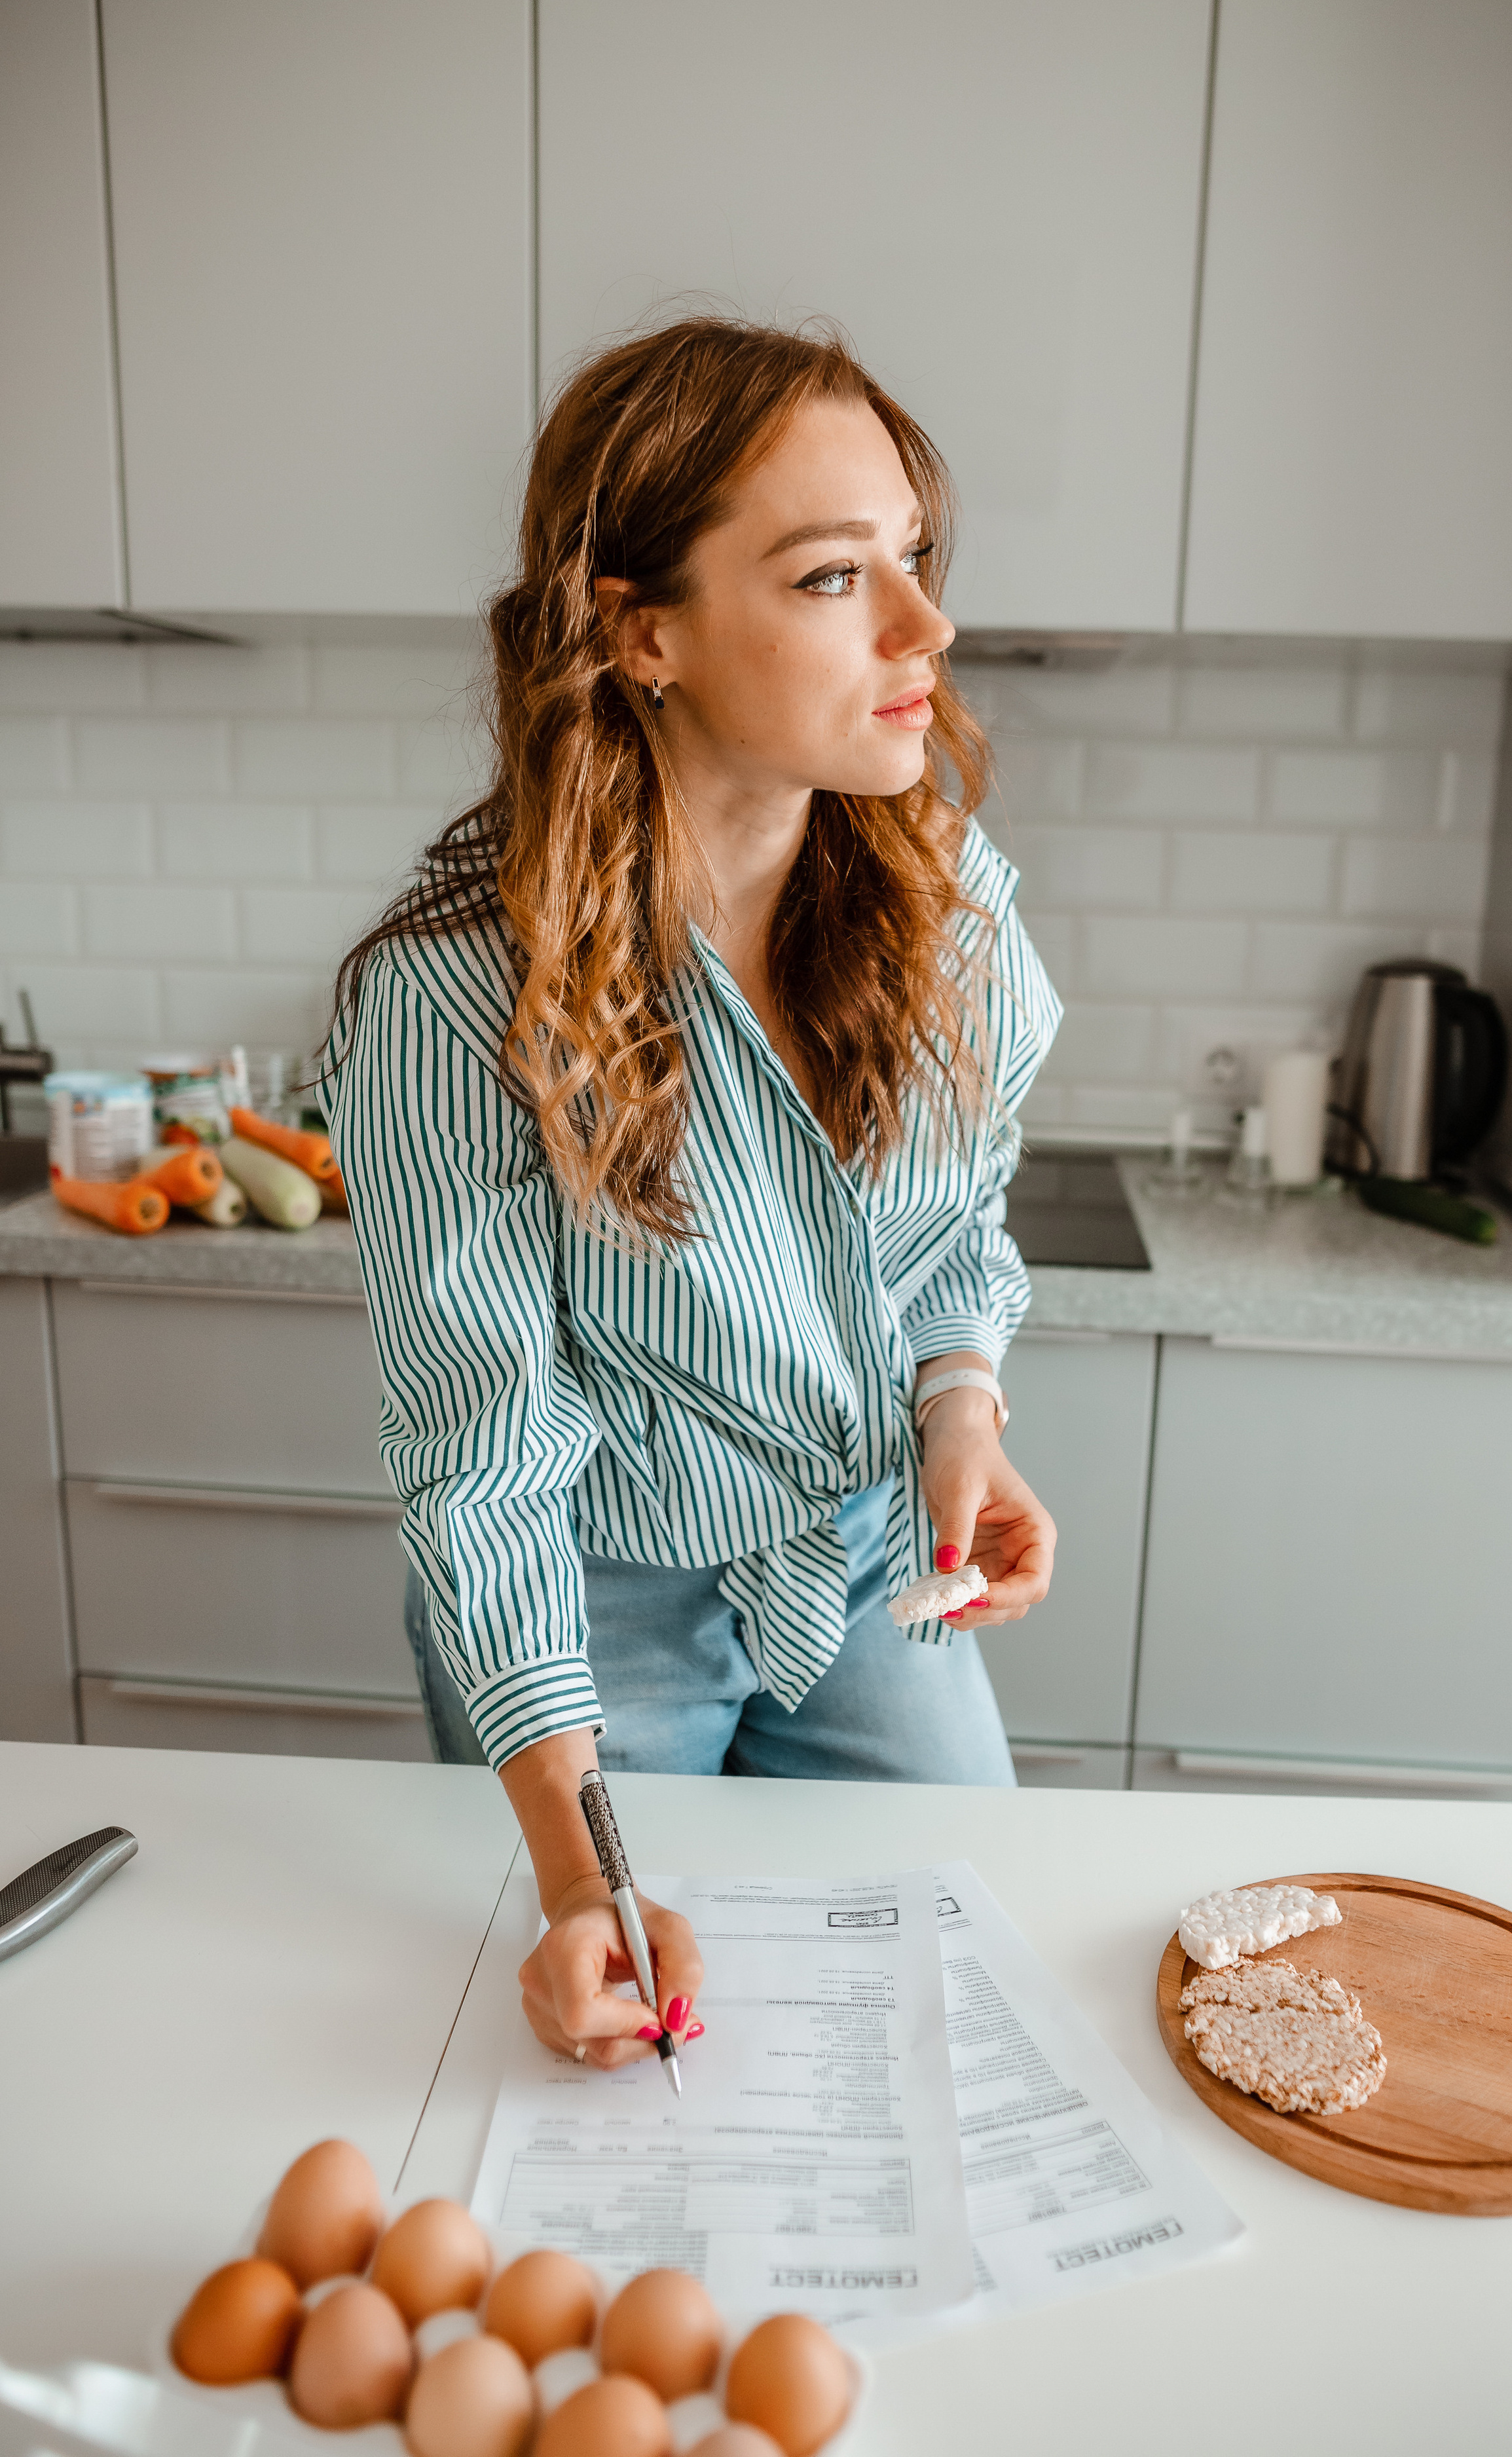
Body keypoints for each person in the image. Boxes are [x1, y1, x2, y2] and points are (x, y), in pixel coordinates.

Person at [321, 317, 1062, 2080]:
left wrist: (961, 1411)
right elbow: (485, 1467)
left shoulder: (945, 909)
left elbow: (956, 1230)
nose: (925, 631)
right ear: (642, 631)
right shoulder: (450, 1001)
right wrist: (585, 1886)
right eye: (832, 576)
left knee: (954, 2008)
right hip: (600, 1608)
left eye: (915, 559)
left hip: (875, 1567)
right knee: (628, 2066)